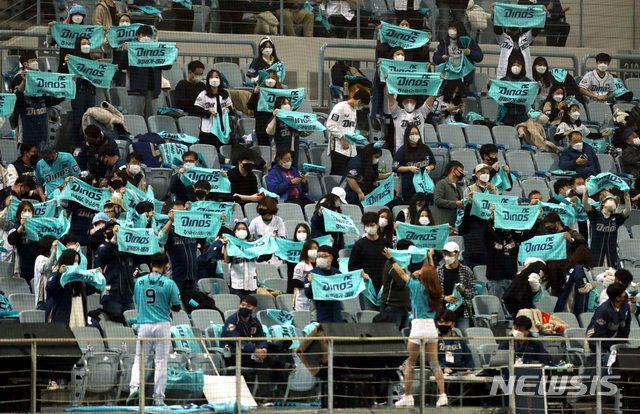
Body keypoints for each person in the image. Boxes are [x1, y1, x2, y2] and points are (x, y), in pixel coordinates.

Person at [383, 248, 448, 407]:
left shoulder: (416, 287)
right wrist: (429, 258)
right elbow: (431, 272)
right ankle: (443, 395)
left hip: (418, 327)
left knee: (410, 363)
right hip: (432, 328)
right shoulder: (436, 289)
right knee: (434, 364)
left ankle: (408, 396)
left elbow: (400, 272)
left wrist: (391, 259)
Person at [127, 253, 181, 408]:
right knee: (161, 362)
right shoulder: (169, 283)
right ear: (165, 266)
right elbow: (176, 307)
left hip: (144, 324)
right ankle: (158, 398)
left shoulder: (139, 281)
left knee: (139, 360)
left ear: (151, 264)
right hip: (163, 325)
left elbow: (137, 301)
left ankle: (134, 390)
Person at [220, 295, 294, 403]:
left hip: (249, 355)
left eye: (247, 306)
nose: (244, 307)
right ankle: (279, 364)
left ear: (253, 309)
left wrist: (263, 349)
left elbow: (261, 338)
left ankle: (264, 398)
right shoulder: (231, 321)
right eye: (242, 305)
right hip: (232, 354)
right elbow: (236, 341)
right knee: (259, 358)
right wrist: (255, 350)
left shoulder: (254, 322)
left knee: (262, 364)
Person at [13, 51, 65, 145]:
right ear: (25, 64)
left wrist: (67, 88)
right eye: (33, 60)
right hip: (27, 119)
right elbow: (17, 98)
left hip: (41, 116)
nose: (36, 62)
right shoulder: (18, 78)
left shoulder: (41, 76)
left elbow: (50, 98)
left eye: (36, 60)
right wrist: (25, 81)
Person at [121, 25, 172, 118]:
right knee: (136, 119)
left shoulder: (157, 50)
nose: (146, 37)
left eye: (149, 35)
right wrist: (125, 52)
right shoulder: (132, 50)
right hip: (137, 91)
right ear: (138, 36)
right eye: (144, 34)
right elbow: (122, 66)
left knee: (151, 119)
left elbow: (167, 66)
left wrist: (173, 53)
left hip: (153, 91)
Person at [348, 212, 392, 309]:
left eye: (372, 225)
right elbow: (352, 266)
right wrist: (361, 273)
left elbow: (392, 263)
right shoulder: (359, 245)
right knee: (368, 316)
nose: (370, 227)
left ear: (377, 225)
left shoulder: (386, 243)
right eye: (367, 225)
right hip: (366, 287)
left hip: (384, 287)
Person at [60, 36, 96, 149]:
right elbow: (62, 73)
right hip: (78, 92)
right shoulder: (72, 60)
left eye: (87, 43)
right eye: (83, 43)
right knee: (78, 119)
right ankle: (76, 145)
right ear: (78, 45)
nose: (86, 45)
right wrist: (65, 63)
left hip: (90, 92)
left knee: (89, 119)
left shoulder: (92, 61)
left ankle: (88, 143)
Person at [585, 283, 631, 373]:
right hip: (597, 342)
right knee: (608, 362)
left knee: (625, 360)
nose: (625, 294)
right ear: (618, 298)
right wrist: (611, 346)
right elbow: (599, 334)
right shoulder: (603, 311)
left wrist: (622, 340)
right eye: (623, 293)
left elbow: (626, 324)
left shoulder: (625, 306)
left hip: (612, 340)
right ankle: (601, 386)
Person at [491, 2, 543, 80]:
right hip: (506, 75)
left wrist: (542, 13)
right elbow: (497, 29)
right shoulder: (503, 38)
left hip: (523, 75)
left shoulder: (526, 37)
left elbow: (536, 29)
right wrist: (497, 13)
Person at [95, 223, 136, 319]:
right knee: (115, 325)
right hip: (111, 293)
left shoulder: (126, 247)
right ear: (105, 234)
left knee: (132, 323)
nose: (114, 231)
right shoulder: (102, 247)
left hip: (127, 293)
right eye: (110, 229)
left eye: (116, 229)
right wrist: (114, 239)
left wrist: (151, 238)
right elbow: (104, 255)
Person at [326, 90, 370, 176]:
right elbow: (330, 124)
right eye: (362, 105)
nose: (361, 107)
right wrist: (342, 139)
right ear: (359, 101)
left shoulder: (354, 110)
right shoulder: (340, 107)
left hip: (350, 149)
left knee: (349, 176)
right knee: (337, 174)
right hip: (338, 148)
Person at [45, 249, 94, 326]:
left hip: (79, 318)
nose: (76, 264)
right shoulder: (55, 276)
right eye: (74, 261)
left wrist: (97, 277)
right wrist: (60, 274)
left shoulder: (80, 280)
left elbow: (91, 289)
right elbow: (51, 288)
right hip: (61, 322)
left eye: (78, 262)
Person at [158, 201, 198, 295]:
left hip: (192, 278)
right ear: (170, 213)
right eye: (177, 212)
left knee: (192, 305)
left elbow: (208, 239)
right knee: (175, 306)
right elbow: (161, 239)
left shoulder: (193, 229)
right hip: (175, 277)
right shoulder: (170, 229)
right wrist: (170, 221)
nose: (181, 214)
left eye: (182, 211)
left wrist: (219, 221)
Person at [432, 21, 484, 94]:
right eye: (449, 28)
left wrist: (470, 53)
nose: (451, 30)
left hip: (463, 79)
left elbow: (480, 57)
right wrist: (441, 58)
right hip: (447, 79)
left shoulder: (468, 41)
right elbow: (435, 58)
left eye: (453, 28)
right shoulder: (444, 41)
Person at [584, 191, 631, 268]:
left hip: (611, 253)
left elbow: (628, 210)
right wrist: (586, 191)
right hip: (596, 252)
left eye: (614, 201)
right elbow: (585, 203)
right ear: (603, 203)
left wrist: (626, 195)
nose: (612, 202)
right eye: (610, 200)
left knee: (611, 275)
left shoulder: (616, 218)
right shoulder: (595, 216)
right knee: (596, 273)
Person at [438, 241, 475, 333]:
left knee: (463, 339)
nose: (447, 256)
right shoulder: (438, 272)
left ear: (457, 254)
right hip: (443, 313)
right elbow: (433, 293)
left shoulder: (467, 271)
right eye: (445, 254)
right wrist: (445, 298)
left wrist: (463, 291)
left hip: (462, 313)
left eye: (449, 254)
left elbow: (472, 293)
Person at [392, 127, 436, 203]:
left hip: (424, 186)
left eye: (416, 133)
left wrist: (430, 168)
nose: (415, 136)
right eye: (412, 134)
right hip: (408, 187)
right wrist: (409, 168)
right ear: (407, 136)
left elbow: (433, 163)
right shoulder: (402, 150)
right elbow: (395, 167)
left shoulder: (425, 148)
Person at [379, 240, 416, 330]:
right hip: (391, 307)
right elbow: (402, 281)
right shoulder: (391, 264)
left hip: (404, 307)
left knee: (404, 340)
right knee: (392, 338)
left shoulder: (407, 265)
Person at [192, 69, 233, 150]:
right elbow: (196, 109)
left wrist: (228, 109)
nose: (214, 79)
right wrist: (208, 112)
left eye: (216, 77)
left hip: (222, 126)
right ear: (208, 80)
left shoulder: (224, 93)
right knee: (208, 149)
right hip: (208, 128)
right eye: (211, 77)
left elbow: (230, 107)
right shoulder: (203, 94)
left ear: (220, 79)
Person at [554, 245, 596, 317]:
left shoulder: (572, 266)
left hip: (562, 303)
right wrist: (591, 286)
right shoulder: (579, 268)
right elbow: (582, 288)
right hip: (571, 307)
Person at [305, 245, 343, 322]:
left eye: (324, 256)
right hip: (319, 314)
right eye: (319, 256)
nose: (321, 259)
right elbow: (308, 295)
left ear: (331, 258)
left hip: (336, 314)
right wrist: (312, 283)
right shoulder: (312, 274)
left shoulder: (337, 273)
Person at [222, 222, 258, 297]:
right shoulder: (232, 245)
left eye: (244, 229)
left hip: (251, 284)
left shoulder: (253, 246)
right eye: (239, 229)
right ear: (235, 232)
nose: (241, 230)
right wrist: (225, 245)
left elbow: (262, 258)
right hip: (236, 284)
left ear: (247, 232)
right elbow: (227, 259)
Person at [247, 70, 283, 147]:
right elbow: (250, 106)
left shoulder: (281, 93)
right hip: (262, 129)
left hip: (277, 129)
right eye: (268, 78)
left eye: (273, 78)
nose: (270, 80)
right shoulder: (259, 92)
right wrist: (255, 93)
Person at [249, 196, 286, 265]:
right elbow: (248, 239)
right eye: (260, 206)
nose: (261, 208)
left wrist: (276, 238)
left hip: (275, 258)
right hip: (260, 257)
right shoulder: (255, 221)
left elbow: (283, 238)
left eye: (263, 206)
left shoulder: (279, 221)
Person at [266, 97, 303, 167]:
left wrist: (312, 124)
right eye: (284, 103)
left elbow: (303, 133)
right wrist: (274, 118)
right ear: (278, 106)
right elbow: (269, 131)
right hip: (279, 152)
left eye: (288, 103)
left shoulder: (294, 119)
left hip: (293, 152)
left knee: (292, 173)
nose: (287, 105)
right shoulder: (274, 119)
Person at [495, 58, 531, 126]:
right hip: (507, 114)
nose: (516, 67)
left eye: (518, 65)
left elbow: (534, 92)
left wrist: (539, 87)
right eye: (513, 65)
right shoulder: (504, 80)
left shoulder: (527, 81)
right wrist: (489, 85)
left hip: (522, 115)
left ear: (522, 67)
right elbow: (495, 89)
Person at [310, 193, 345, 260]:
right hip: (323, 244)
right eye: (340, 200)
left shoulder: (337, 211)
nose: (340, 203)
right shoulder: (321, 209)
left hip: (334, 246)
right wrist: (319, 215)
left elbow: (339, 232)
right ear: (335, 198)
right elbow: (315, 221)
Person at [432, 161, 464, 227]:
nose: (462, 174)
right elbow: (437, 200)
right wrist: (455, 203)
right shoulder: (441, 183)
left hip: (455, 223)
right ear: (454, 170)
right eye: (461, 171)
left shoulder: (459, 187)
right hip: (443, 223)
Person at [292, 239, 319, 311]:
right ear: (306, 250)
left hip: (317, 299)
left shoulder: (320, 265)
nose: (314, 250)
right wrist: (308, 285)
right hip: (302, 300)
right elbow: (295, 282)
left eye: (316, 248)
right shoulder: (301, 265)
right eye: (311, 248)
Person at [33, 236, 57, 310]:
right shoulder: (40, 258)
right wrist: (54, 251)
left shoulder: (56, 260)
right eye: (54, 245)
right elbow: (47, 267)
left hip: (54, 295)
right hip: (43, 298)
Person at [111, 12, 132, 87]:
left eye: (127, 20)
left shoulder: (136, 36)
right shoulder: (114, 35)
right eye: (122, 21)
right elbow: (105, 46)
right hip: (118, 70)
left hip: (132, 70)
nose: (125, 22)